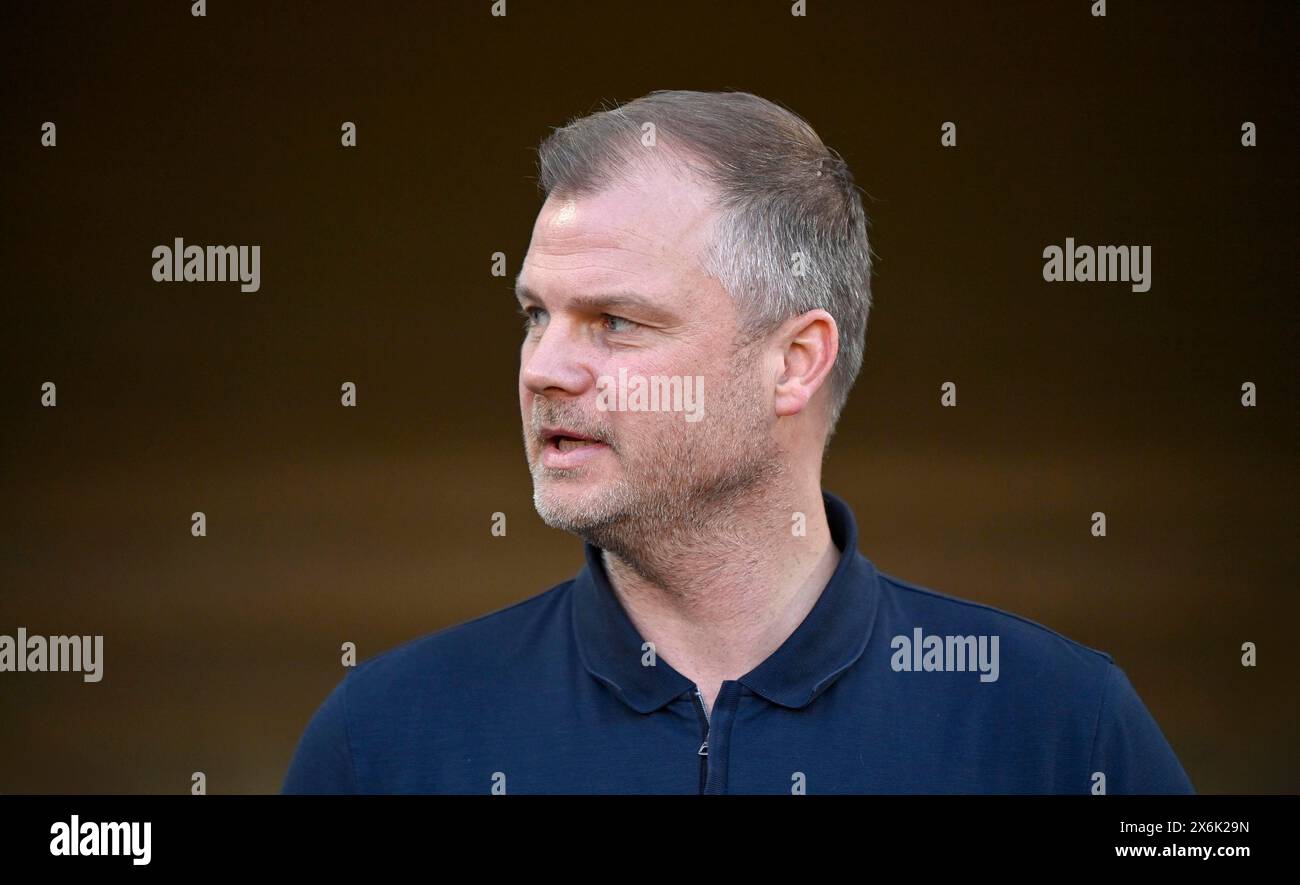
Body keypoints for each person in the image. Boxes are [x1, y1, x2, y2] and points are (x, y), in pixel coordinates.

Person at [282, 90, 1194, 794]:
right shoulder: (387, 741)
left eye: (616, 321)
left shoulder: (1055, 728)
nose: (543, 368)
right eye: (535, 314)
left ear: (794, 363)